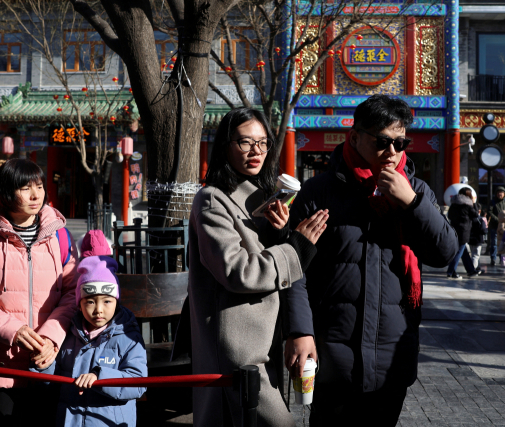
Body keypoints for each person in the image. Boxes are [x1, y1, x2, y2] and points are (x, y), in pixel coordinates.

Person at [284, 95, 457, 427]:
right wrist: (300, 330)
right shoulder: (319, 192)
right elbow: (295, 270)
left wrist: (412, 203)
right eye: (382, 141)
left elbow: (444, 252)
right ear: (355, 137)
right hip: (334, 350)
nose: (392, 151)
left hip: (393, 351)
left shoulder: (416, 190)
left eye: (400, 142)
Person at [188, 107, 329, 426]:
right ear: (225, 146)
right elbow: (238, 271)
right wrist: (295, 247)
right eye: (244, 142)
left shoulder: (266, 199)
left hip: (266, 339)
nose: (256, 151)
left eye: (263, 143)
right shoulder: (212, 200)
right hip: (237, 345)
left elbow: (274, 262)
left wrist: (282, 232)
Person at [0, 159, 78, 427]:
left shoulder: (61, 237)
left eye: (40, 186)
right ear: (6, 192)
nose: (35, 195)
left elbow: (72, 294)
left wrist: (51, 339)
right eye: (24, 188)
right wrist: (14, 331)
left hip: (46, 366)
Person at [34, 256, 147, 427]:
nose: (98, 310)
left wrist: (100, 377)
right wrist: (43, 367)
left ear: (117, 301)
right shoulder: (67, 334)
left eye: (107, 301)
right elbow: (53, 383)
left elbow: (138, 383)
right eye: (90, 302)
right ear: (79, 304)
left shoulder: (129, 337)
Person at [446, 187, 482, 279]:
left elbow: (449, 215)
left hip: (454, 229)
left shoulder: (454, 203)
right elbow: (476, 215)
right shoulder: (468, 205)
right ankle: (451, 272)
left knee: (464, 251)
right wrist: (474, 203)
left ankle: (471, 270)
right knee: (459, 251)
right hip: (464, 231)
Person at [488, 186, 505, 266]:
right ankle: (493, 258)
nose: (500, 194)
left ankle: (502, 259)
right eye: (498, 192)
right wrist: (498, 219)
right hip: (494, 226)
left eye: (501, 192)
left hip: (503, 227)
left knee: (502, 243)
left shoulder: (504, 202)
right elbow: (490, 212)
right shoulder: (492, 202)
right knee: (494, 243)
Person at [469, 207, 488, 271]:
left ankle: (476, 267)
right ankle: (473, 269)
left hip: (471, 239)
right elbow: (484, 230)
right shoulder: (480, 219)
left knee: (473, 254)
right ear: (479, 211)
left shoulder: (470, 219)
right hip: (478, 240)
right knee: (476, 255)